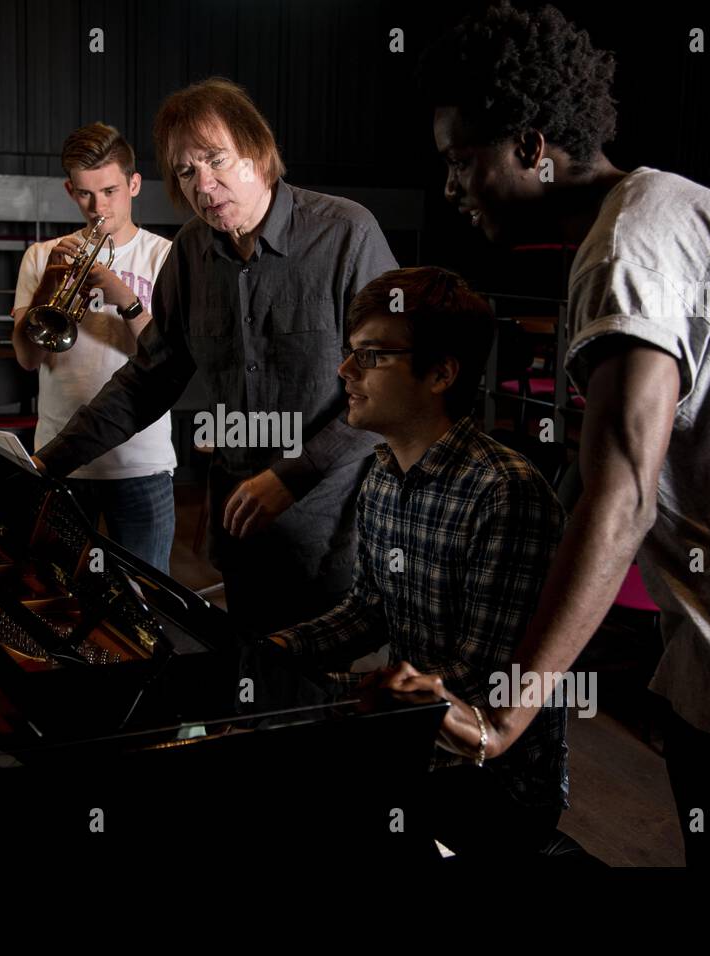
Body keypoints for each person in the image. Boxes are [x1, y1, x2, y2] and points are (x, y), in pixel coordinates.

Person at [395, 1, 710, 866]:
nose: (451, 188)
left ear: (528, 148)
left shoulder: (627, 246)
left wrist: (504, 713)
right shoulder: (668, 209)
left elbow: (622, 492)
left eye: (460, 161)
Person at [30, 78, 398, 635]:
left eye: (216, 160)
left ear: (258, 151)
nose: (204, 185)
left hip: (335, 527)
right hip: (240, 527)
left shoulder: (348, 234)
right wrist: (46, 463)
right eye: (185, 171)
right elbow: (148, 378)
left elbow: (391, 386)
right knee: (251, 686)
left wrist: (292, 476)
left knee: (315, 706)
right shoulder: (189, 257)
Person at [270, 266, 567, 855]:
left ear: (440, 373)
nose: (345, 371)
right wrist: (276, 653)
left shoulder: (505, 491)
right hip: (408, 739)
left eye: (372, 356)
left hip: (490, 777)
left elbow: (484, 677)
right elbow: (369, 610)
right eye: (352, 353)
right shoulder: (382, 471)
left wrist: (325, 696)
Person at [11, 123, 177, 573]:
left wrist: (122, 294)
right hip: (61, 460)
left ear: (134, 184)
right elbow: (27, 359)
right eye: (85, 194)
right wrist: (49, 284)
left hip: (141, 462)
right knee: (59, 597)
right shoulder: (41, 255)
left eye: (110, 191)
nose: (98, 207)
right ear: (70, 190)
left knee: (148, 606)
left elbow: (170, 357)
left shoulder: (165, 257)